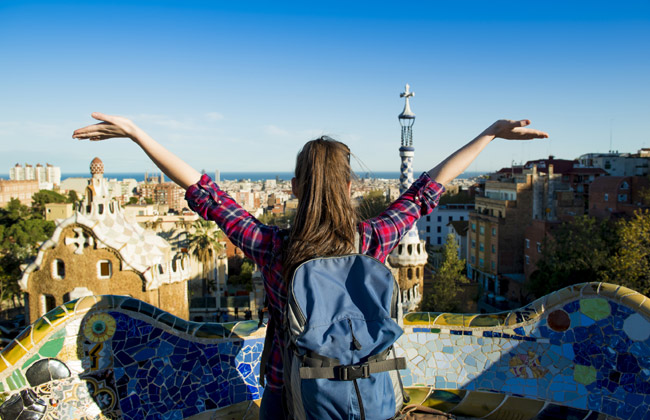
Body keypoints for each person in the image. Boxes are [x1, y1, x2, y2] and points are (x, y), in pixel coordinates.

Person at [73, 112, 547, 419]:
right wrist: (489, 133)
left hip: (290, 388)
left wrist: (138, 134)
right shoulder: (372, 240)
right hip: (369, 389)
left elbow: (206, 195)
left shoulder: (273, 248)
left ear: (297, 188)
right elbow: (428, 190)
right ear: (349, 187)